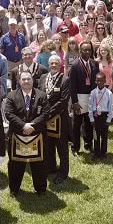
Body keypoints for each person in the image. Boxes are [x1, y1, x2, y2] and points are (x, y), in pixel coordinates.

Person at [2, 71, 48, 195]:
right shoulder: (11, 96)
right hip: (17, 135)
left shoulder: (42, 95)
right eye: (24, 79)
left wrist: (32, 126)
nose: (26, 81)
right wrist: (23, 125)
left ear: (33, 80)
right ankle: (14, 189)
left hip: (36, 134)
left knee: (38, 163)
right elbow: (9, 114)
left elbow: (45, 113)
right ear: (19, 81)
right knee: (16, 164)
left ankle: (40, 188)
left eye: (29, 79)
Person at [39, 55, 71, 183]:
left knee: (62, 146)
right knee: (48, 145)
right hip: (45, 119)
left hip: (59, 119)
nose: (53, 65)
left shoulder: (65, 80)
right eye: (51, 63)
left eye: (56, 63)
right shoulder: (42, 78)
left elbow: (63, 101)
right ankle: (51, 168)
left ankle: (63, 172)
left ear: (60, 64)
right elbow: (39, 95)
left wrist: (48, 114)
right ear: (48, 64)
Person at [86, 72, 113, 159]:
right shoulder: (93, 92)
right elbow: (90, 106)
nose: (99, 83)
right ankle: (96, 152)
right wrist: (91, 118)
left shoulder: (108, 93)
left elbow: (110, 107)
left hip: (104, 116)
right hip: (96, 116)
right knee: (96, 135)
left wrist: (109, 119)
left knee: (104, 135)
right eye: (97, 81)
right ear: (95, 81)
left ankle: (103, 152)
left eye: (101, 81)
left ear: (105, 81)